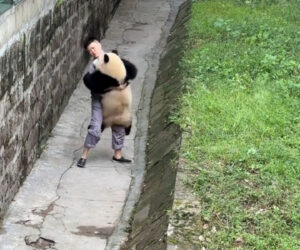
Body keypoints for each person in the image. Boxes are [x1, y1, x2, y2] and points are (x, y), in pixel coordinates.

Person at [77, 37, 131, 168]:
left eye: (93, 48)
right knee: (95, 128)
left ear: (99, 44)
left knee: (119, 126)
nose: (92, 52)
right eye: (89, 51)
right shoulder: (93, 67)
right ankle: (83, 155)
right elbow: (93, 85)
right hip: (99, 101)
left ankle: (117, 155)